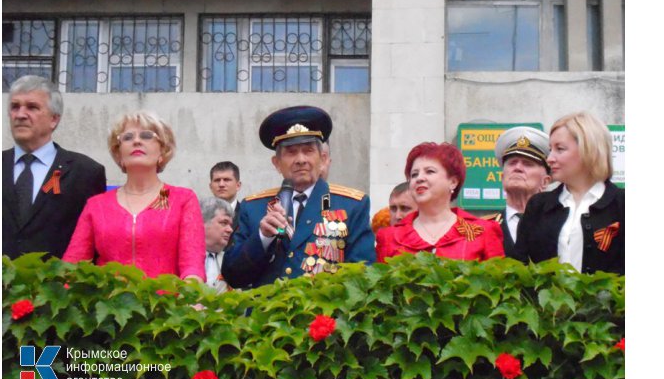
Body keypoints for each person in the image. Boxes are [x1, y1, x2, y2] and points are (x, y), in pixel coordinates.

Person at [222, 105, 376, 289]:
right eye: (291, 152)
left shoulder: (351, 205)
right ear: (277, 163)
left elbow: (362, 276)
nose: (301, 159)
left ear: (323, 158)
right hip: (267, 315)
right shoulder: (254, 207)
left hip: (323, 315)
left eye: (308, 150)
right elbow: (233, 276)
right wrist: (262, 238)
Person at [63, 112, 206, 281]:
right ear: (118, 154)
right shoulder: (97, 205)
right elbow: (72, 266)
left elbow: (192, 265)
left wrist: (190, 299)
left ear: (162, 150)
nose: (137, 141)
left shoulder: (179, 199)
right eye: (128, 137)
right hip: (110, 304)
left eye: (147, 136)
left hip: (167, 304)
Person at [3, 75, 106, 260]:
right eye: (15, 107)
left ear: (54, 119)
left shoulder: (86, 173)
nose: (20, 114)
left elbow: (95, 243)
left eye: (32, 107)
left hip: (58, 286)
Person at [512, 113, 624, 274]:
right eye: (550, 150)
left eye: (560, 149)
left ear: (589, 149)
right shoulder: (538, 205)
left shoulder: (622, 204)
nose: (549, 158)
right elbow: (520, 267)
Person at [376, 142, 505, 262]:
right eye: (414, 174)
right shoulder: (389, 237)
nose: (419, 178)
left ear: (453, 182)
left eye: (429, 171)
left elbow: (496, 282)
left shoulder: (483, 231)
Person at [492, 126, 551, 257]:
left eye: (527, 164)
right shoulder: (485, 227)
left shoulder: (558, 225)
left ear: (545, 182)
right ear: (502, 178)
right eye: (512, 163)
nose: (518, 168)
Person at [202, 197, 234, 292]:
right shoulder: (180, 257)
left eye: (230, 225)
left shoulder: (231, 261)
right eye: (224, 223)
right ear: (202, 222)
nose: (230, 230)